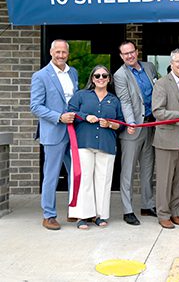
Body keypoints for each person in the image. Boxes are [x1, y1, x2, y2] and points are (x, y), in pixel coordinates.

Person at [67, 65, 124, 229]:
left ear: (109, 79)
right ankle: (82, 216)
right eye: (97, 75)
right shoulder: (81, 96)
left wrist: (110, 124)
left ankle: (100, 215)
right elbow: (70, 113)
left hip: (106, 144)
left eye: (104, 75)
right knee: (84, 180)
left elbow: (120, 124)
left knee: (103, 181)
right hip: (84, 143)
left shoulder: (114, 100)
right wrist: (85, 117)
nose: (101, 78)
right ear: (92, 78)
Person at [30, 39, 79, 230]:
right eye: (57, 52)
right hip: (54, 131)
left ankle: (74, 210)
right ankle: (48, 215)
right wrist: (59, 117)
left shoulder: (72, 72)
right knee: (51, 175)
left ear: (68, 53)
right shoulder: (41, 76)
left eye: (64, 52)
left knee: (76, 172)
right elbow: (35, 106)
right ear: (51, 52)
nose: (60, 56)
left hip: (73, 131)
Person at [113, 40, 159, 226]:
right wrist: (131, 122)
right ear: (121, 56)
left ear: (137, 51)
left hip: (151, 124)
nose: (130, 56)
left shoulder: (149, 67)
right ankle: (128, 209)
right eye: (125, 54)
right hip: (134, 127)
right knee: (128, 171)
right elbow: (124, 101)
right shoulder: (120, 75)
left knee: (148, 168)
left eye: (132, 52)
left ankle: (148, 205)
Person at [152, 48, 179, 229]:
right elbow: (158, 111)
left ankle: (174, 211)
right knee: (164, 179)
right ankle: (163, 214)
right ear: (171, 63)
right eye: (178, 61)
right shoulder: (162, 84)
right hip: (167, 138)